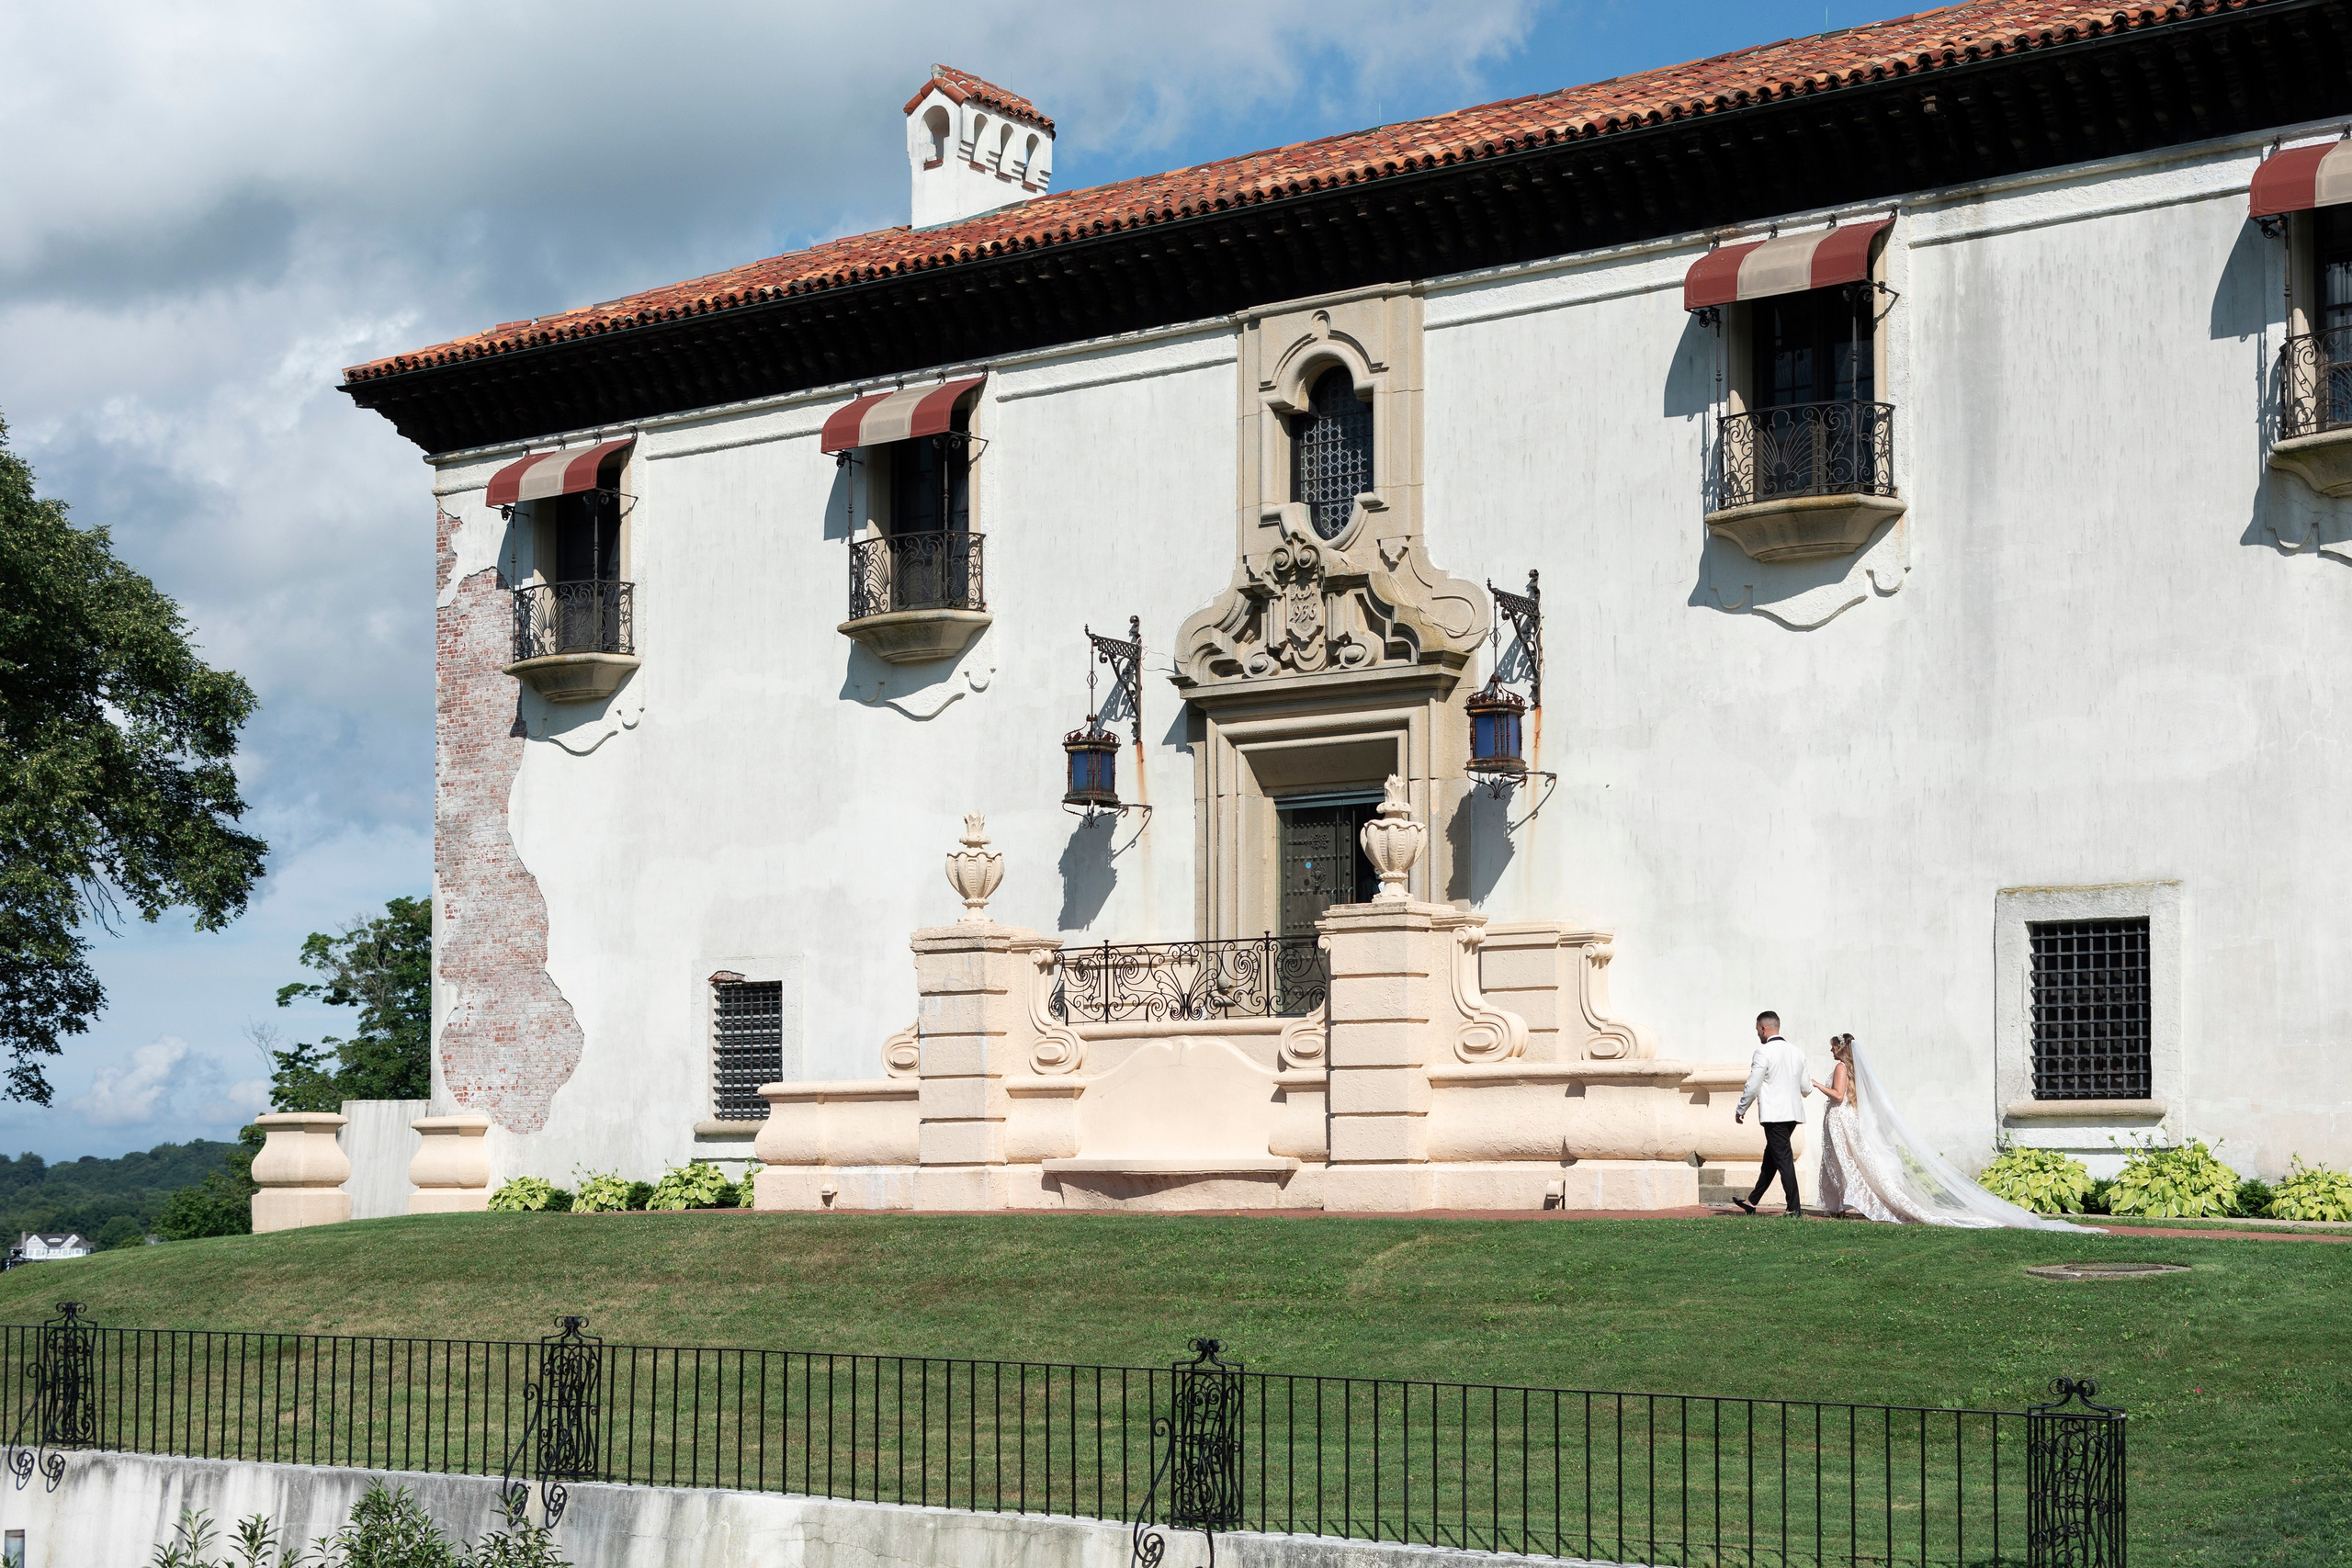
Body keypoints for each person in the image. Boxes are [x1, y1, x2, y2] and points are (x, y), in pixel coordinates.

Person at [1810, 1032, 2087, 1232]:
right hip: (1843, 1119)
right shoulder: (1848, 1068)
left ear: (1840, 1050)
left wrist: (1816, 1084)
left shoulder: (1840, 1067)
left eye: (1833, 1048)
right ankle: (1842, 1204)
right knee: (1845, 1162)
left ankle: (1844, 1205)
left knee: (1845, 1161)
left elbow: (1838, 1095)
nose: (1831, 1052)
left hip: (1841, 1118)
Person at [1732, 1010, 1813, 1215]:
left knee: (1783, 1160)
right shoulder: (1797, 1052)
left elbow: (1753, 1084)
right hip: (1793, 1114)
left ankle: (1794, 1208)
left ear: (1763, 1028)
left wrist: (1741, 1108)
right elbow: (1806, 1088)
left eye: (1757, 1030)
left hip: (1774, 1115)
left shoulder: (1763, 1052)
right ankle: (1752, 1201)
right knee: (1772, 1158)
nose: (1758, 1033)